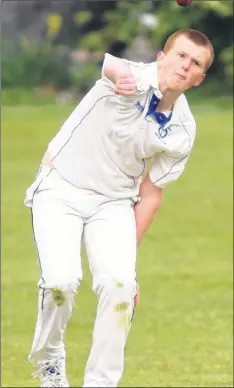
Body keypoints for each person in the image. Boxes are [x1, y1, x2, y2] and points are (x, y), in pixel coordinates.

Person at [25, 29, 214, 387]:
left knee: (121, 285)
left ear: (200, 79)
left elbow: (153, 192)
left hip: (114, 202)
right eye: (180, 55)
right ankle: (50, 362)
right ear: (162, 57)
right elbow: (109, 65)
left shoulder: (182, 130)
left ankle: (102, 383)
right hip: (61, 186)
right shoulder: (134, 74)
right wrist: (119, 78)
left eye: (195, 64)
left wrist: (128, 260)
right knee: (60, 283)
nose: (185, 65)